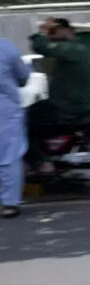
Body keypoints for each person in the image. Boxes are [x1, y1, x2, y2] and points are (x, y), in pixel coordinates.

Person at [26, 18, 90, 173]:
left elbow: (42, 47)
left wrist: (42, 32)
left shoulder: (73, 49)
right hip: (74, 104)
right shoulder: (83, 50)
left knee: (24, 122)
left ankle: (41, 162)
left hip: (65, 108)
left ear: (65, 30)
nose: (51, 35)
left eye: (54, 31)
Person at [0, 38, 30, 218]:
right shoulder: (6, 47)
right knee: (9, 157)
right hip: (5, 108)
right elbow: (23, 76)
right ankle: (10, 204)